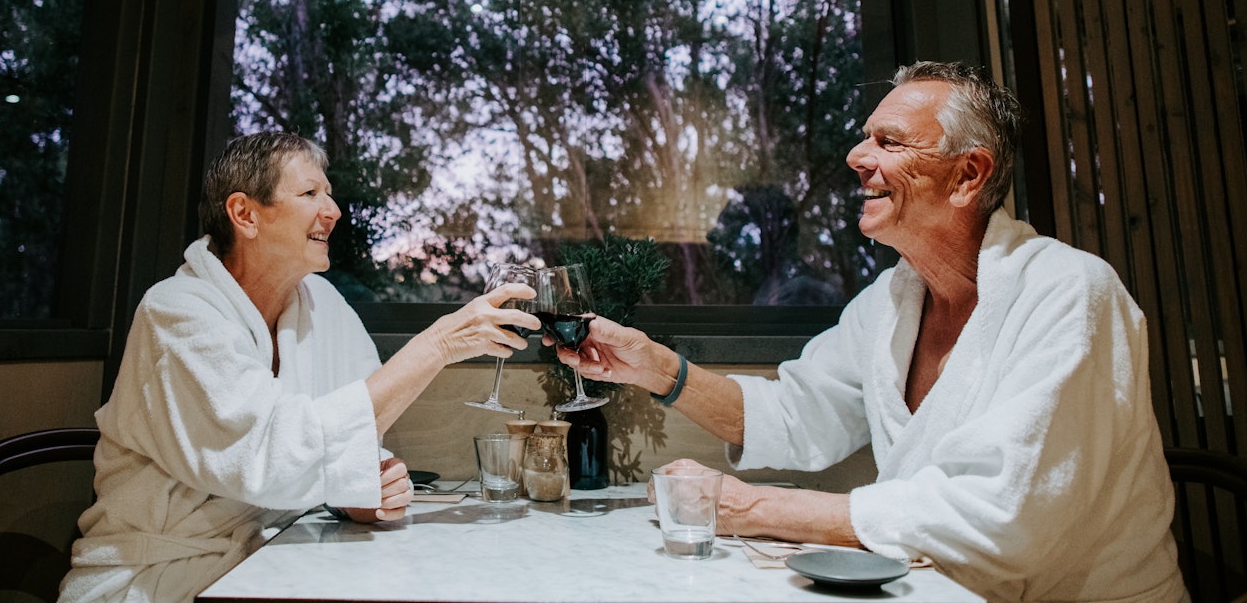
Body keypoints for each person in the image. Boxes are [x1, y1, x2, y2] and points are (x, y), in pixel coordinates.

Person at [560, 62, 1187, 603]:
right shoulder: (890, 301)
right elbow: (795, 416)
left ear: (969, 175)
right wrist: (655, 368)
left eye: (888, 141)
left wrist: (751, 508)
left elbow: (998, 519)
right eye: (865, 139)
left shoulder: (1070, 293)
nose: (858, 158)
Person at [59, 132, 537, 603]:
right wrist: (437, 344)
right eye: (310, 193)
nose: (333, 211)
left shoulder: (321, 304)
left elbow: (349, 439)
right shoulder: (178, 313)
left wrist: (355, 493)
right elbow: (270, 456)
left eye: (328, 194)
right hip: (159, 577)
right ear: (245, 214)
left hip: (273, 554)